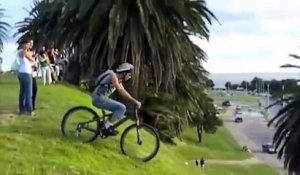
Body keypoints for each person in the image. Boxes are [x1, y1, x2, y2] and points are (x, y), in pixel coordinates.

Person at [92, 63, 141, 137]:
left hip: (100, 97)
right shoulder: (113, 77)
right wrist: (134, 101)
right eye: (129, 74)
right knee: (121, 108)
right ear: (124, 73)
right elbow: (121, 91)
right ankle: (106, 127)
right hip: (99, 98)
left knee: (119, 113)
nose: (130, 77)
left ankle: (106, 124)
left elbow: (123, 91)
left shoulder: (118, 79)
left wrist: (133, 100)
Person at [17, 38, 35, 116]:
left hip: (21, 72)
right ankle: (29, 110)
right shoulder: (23, 51)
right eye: (27, 44)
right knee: (28, 92)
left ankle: (22, 109)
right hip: (26, 73)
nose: (29, 45)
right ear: (23, 44)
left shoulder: (20, 52)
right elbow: (32, 59)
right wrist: (32, 56)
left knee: (23, 92)